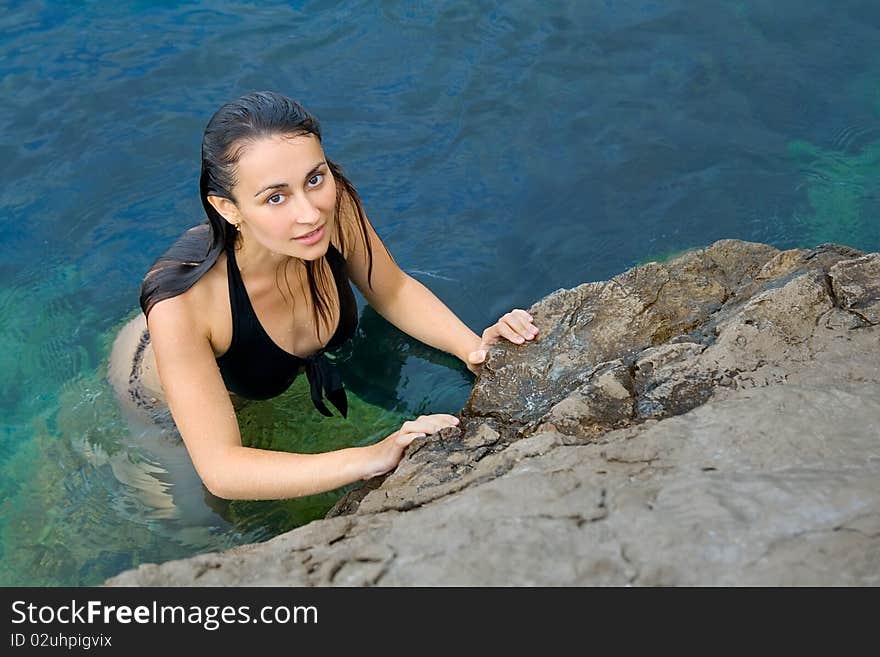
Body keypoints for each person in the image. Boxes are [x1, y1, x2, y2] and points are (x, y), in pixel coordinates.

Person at [108, 90, 539, 504]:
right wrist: (370, 457)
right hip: (156, 393)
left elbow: (392, 288)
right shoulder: (184, 307)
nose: (309, 213)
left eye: (314, 178)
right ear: (227, 209)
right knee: (196, 516)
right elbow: (222, 470)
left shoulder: (333, 209)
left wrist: (476, 351)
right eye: (275, 197)